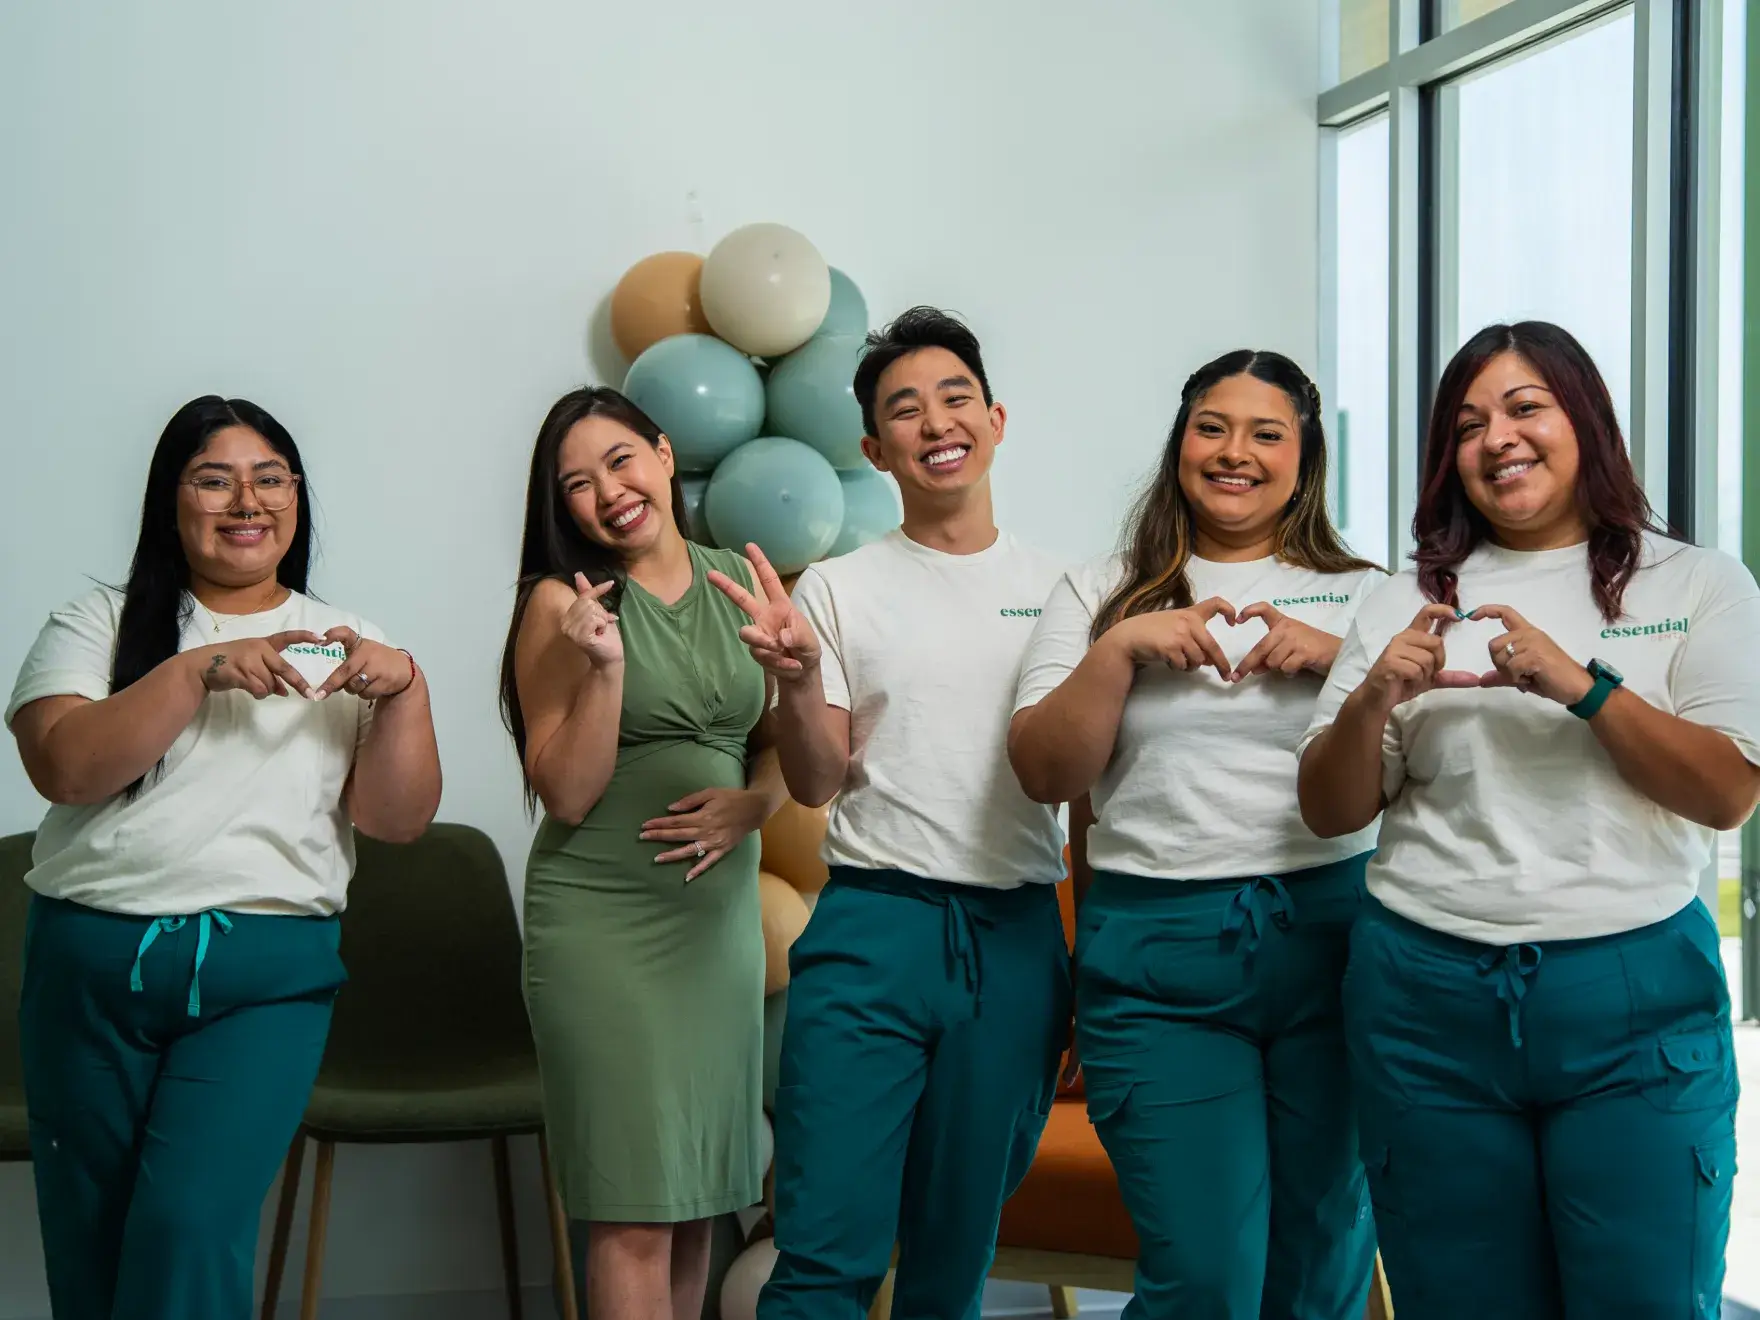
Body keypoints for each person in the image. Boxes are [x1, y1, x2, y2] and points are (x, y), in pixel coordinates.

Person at [1297, 321, 1755, 1318]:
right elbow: (1328, 810)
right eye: (1465, 424)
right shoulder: (1400, 600)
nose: (1494, 437)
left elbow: (1725, 792)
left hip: (1630, 996)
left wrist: (1582, 689)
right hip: (1422, 996)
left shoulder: (1693, 583)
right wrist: (1374, 694)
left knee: (1645, 1298)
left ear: (1581, 417)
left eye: (1522, 407)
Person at [6, 396, 441, 1320]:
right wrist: (195, 670)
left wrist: (407, 689)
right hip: (88, 965)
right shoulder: (98, 622)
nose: (247, 499)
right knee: (93, 1236)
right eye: (214, 477)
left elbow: (396, 820)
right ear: (173, 501)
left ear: (297, 498)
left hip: (263, 977)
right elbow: (65, 769)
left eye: (270, 477)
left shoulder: (350, 642)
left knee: (188, 1228)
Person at [709, 306, 1071, 1320]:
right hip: (874, 927)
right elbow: (817, 781)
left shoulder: (1067, 590)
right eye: (903, 410)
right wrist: (794, 679)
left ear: (995, 420)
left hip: (1013, 938)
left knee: (953, 1262)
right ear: (874, 448)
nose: (934, 422)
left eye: (955, 398)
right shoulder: (836, 588)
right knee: (826, 1252)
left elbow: (1086, 776)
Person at [1007, 350, 1383, 1319]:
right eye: (1211, 427)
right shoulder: (1101, 589)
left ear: (1305, 458)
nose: (1234, 452)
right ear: (1179, 443)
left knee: (1320, 1270)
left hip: (1335, 950)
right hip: (1157, 970)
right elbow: (1045, 774)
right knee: (1204, 1281)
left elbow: (1427, 771)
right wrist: (1119, 651)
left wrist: (1346, 666)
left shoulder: (1366, 598)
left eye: (1267, 433)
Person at [502, 386, 787, 1320]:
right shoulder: (564, 602)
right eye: (575, 484)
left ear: (664, 455)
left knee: (698, 1197)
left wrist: (755, 805)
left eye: (621, 460)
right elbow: (568, 789)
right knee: (631, 1213)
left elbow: (788, 742)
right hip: (604, 926)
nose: (607, 493)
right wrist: (607, 667)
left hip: (715, 937)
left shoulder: (740, 577)